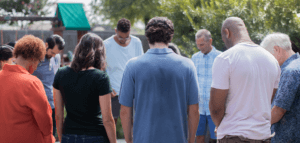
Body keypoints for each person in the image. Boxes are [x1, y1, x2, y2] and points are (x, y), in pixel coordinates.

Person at [119, 17, 200, 143]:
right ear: (171, 37)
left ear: (147, 36)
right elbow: (194, 110)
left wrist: (129, 140)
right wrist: (190, 141)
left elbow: (125, 110)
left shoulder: (132, 66)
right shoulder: (187, 65)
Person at [209, 17, 281, 142]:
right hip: (263, 136)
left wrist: (222, 125)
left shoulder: (225, 58)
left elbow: (216, 108)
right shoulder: (272, 61)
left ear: (227, 32)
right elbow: (267, 99)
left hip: (233, 136)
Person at [53, 33, 117, 143]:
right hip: (96, 136)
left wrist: (62, 138)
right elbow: (107, 119)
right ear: (100, 52)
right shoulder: (100, 77)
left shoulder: (60, 73)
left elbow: (58, 115)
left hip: (69, 135)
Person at [0, 35, 55, 143]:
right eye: (38, 63)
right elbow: (45, 120)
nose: (36, 67)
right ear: (33, 60)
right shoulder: (32, 83)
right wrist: (49, 139)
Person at [260, 33, 300, 142]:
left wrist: (258, 127)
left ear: (277, 49)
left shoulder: (290, 71)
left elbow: (279, 110)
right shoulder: (296, 65)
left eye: (267, 56)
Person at [104, 18, 144, 125]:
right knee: (112, 121)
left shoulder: (136, 42)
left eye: (126, 37)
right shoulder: (106, 45)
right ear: (116, 31)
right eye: (121, 37)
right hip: (114, 91)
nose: (123, 40)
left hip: (132, 91)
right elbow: (102, 68)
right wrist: (108, 86)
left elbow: (141, 66)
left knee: (133, 123)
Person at [32, 34, 65, 140]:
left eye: (57, 53)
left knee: (51, 134)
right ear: (46, 45)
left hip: (53, 102)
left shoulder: (56, 57)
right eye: (52, 52)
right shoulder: (34, 58)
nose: (54, 56)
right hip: (38, 103)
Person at [191, 29, 221, 143]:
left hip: (215, 107)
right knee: (198, 136)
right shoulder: (194, 58)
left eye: (202, 44)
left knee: (216, 138)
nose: (200, 47)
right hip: (199, 107)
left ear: (210, 41)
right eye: (198, 45)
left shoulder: (220, 57)